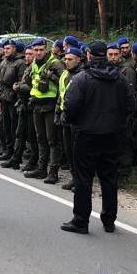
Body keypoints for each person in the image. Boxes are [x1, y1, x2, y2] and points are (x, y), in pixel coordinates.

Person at [60, 41, 134, 234]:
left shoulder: (82, 78)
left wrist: (73, 121)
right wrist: (118, 124)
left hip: (86, 134)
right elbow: (130, 106)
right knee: (109, 178)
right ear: (106, 55)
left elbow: (71, 105)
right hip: (112, 135)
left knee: (83, 178)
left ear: (89, 55)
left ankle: (81, 221)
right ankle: (109, 220)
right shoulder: (119, 78)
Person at [25, 38, 66, 184]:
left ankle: (53, 172)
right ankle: (41, 168)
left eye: (41, 50)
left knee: (53, 140)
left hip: (50, 106)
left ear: (46, 49)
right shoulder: (35, 63)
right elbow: (31, 81)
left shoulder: (55, 63)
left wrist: (51, 76)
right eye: (35, 50)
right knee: (40, 138)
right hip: (37, 104)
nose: (38, 53)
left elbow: (65, 82)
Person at [107, 42, 137, 181]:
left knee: (124, 143)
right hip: (109, 114)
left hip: (123, 114)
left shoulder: (126, 69)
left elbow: (129, 94)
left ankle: (124, 174)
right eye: (110, 55)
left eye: (115, 54)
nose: (113, 57)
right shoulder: (107, 69)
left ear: (120, 55)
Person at [56, 47, 85, 191]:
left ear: (78, 60)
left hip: (77, 119)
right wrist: (58, 112)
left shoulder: (83, 76)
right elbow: (61, 95)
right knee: (68, 149)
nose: (67, 62)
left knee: (78, 151)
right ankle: (74, 178)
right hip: (65, 116)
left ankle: (81, 180)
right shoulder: (65, 74)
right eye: (65, 59)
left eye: (70, 59)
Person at [0, 40, 25, 162]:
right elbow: (0, 83)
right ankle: (8, 150)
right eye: (5, 48)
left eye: (8, 48)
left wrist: (18, 99)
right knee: (4, 125)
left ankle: (15, 154)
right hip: (4, 99)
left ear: (14, 49)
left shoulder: (20, 63)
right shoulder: (3, 62)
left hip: (14, 99)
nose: (6, 50)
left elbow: (20, 83)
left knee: (14, 128)